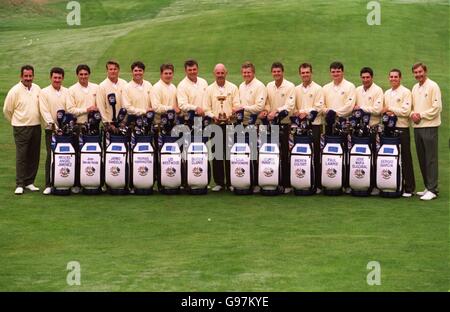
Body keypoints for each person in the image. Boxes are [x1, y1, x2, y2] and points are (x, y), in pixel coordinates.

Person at [3, 65, 41, 195]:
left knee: (34, 155)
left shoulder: (37, 88)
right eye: (26, 76)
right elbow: (7, 110)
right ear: (21, 76)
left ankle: (29, 182)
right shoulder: (15, 91)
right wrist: (16, 122)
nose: (28, 78)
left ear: (33, 76)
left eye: (30, 76)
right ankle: (20, 184)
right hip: (21, 128)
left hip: (36, 126)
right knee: (22, 156)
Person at [259, 62, 295, 194]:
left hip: (284, 123)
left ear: (282, 72)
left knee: (284, 153)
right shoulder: (269, 86)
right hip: (271, 125)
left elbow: (290, 105)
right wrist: (266, 111)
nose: (276, 74)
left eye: (278, 71)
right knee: (272, 154)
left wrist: (276, 111)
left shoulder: (290, 86)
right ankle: (274, 180)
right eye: (274, 72)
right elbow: (267, 103)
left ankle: (286, 184)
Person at [203, 63, 240, 191]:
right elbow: (206, 108)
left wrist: (229, 115)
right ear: (214, 74)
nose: (220, 75)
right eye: (217, 73)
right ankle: (219, 182)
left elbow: (237, 105)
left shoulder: (233, 88)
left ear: (226, 73)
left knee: (230, 154)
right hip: (215, 125)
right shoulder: (209, 89)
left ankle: (231, 182)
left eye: (222, 72)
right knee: (217, 154)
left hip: (230, 124)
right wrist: (214, 116)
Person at [322, 61, 356, 194]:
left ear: (342, 72)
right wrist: (328, 112)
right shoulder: (325, 88)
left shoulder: (350, 86)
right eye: (333, 71)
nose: (335, 74)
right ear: (330, 73)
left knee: (345, 153)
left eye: (338, 71)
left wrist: (335, 112)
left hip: (344, 123)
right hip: (329, 123)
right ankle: (331, 182)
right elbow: (321, 105)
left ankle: (345, 183)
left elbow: (350, 106)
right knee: (331, 153)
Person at [39, 67, 74, 195]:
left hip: (66, 131)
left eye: (59, 78)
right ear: (51, 77)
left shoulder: (67, 91)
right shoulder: (44, 92)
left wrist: (66, 124)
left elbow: (69, 109)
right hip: (51, 130)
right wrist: (54, 126)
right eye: (55, 77)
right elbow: (44, 111)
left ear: (62, 78)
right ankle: (48, 184)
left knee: (66, 156)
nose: (57, 80)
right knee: (51, 155)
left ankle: (66, 181)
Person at [410, 62, 442, 201]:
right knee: (422, 158)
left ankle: (433, 189)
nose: (418, 75)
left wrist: (420, 115)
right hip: (417, 127)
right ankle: (427, 186)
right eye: (416, 73)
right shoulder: (415, 88)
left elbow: (437, 107)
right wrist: (412, 114)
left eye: (420, 72)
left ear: (425, 71)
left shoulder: (433, 86)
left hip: (430, 126)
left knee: (430, 158)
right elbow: (411, 106)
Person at [235, 61, 267, 193]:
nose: (246, 74)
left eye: (248, 72)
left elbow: (259, 107)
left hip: (256, 124)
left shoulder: (260, 86)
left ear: (253, 73)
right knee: (245, 154)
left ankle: (257, 183)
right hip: (242, 124)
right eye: (244, 72)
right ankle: (246, 180)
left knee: (256, 154)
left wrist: (243, 108)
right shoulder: (241, 86)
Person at [383, 68, 415, 197]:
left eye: (396, 77)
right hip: (388, 129)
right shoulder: (387, 93)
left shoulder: (406, 92)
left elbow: (406, 111)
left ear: (400, 78)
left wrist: (391, 109)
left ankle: (409, 187)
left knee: (405, 157)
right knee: (392, 158)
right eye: (391, 77)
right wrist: (389, 111)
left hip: (402, 129)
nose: (393, 79)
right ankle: (395, 184)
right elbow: (384, 111)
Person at [294, 63, 324, 193]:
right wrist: (298, 113)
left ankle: (317, 184)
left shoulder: (318, 89)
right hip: (300, 125)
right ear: (300, 74)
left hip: (315, 125)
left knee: (316, 154)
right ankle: (301, 181)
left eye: (307, 72)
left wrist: (304, 112)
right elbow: (292, 107)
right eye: (303, 73)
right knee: (301, 154)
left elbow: (319, 107)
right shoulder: (296, 89)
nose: (305, 75)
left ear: (311, 73)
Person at [355, 67, 383, 195]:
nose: (365, 80)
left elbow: (377, 110)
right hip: (360, 129)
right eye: (363, 77)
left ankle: (375, 185)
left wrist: (361, 108)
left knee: (374, 157)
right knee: (362, 158)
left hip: (373, 128)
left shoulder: (378, 90)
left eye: (368, 77)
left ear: (372, 77)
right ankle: (361, 183)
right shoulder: (357, 90)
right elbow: (353, 108)